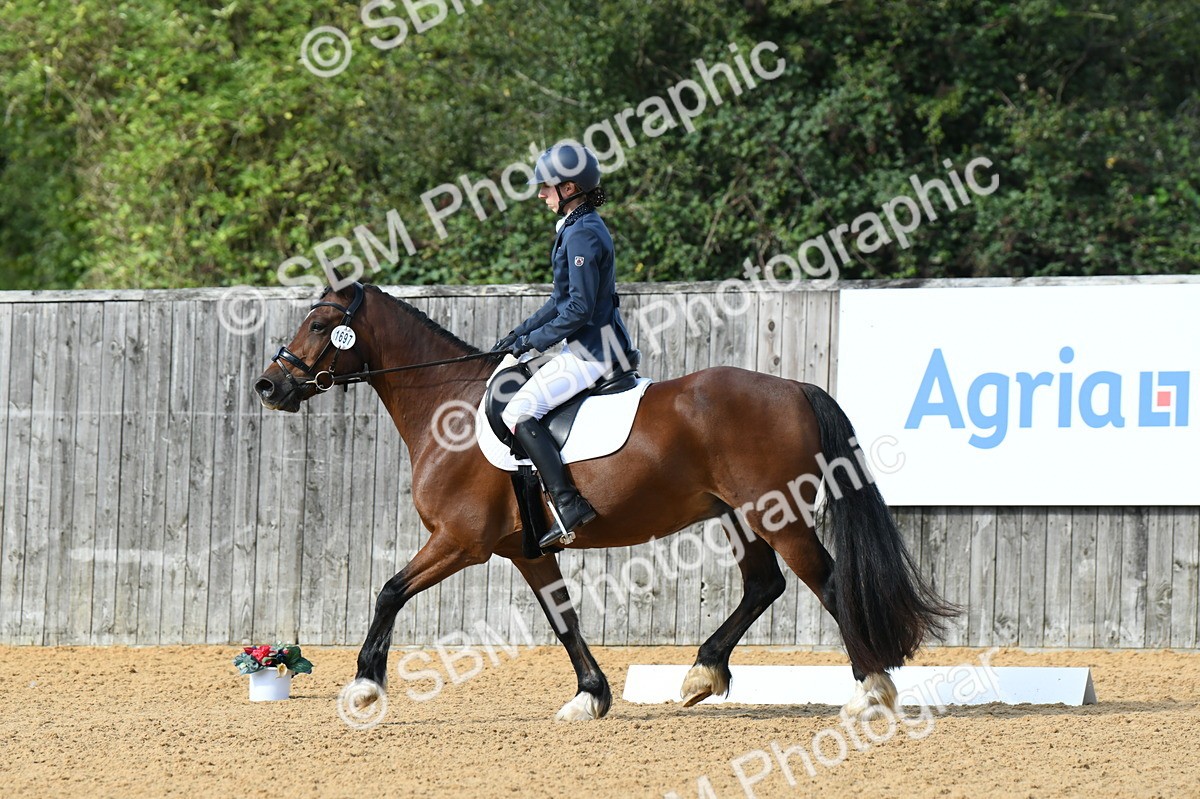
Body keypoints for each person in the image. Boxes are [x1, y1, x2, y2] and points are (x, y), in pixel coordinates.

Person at [491, 141, 635, 549]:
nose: (541, 194)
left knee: (518, 410)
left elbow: (578, 309)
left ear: (569, 188)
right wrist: (517, 335)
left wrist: (532, 345)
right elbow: (558, 299)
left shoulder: (584, 233)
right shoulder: (577, 227)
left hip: (595, 351)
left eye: (546, 187)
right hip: (591, 346)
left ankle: (569, 504)